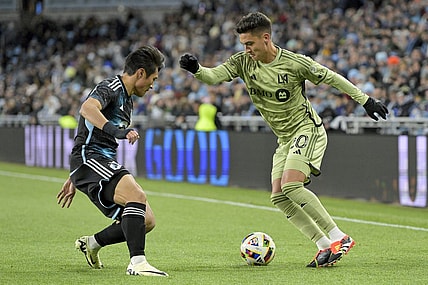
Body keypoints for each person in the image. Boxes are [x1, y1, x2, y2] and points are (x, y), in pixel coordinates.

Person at [179, 12, 388, 268]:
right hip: (285, 138)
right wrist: (196, 70)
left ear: (266, 38)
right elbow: (214, 76)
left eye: (249, 44)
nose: (245, 50)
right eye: (243, 44)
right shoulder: (243, 62)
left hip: (306, 128)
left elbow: (332, 77)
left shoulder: (294, 63)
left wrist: (365, 100)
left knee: (291, 186)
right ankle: (324, 246)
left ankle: (339, 237)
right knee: (278, 196)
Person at [57, 45, 168, 277]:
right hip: (90, 158)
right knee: (136, 196)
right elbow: (87, 108)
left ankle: (92, 243)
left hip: (95, 162)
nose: (152, 86)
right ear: (140, 73)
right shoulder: (111, 86)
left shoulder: (127, 100)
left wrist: (74, 176)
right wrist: (117, 132)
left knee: (146, 221)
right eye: (153, 78)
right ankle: (137, 263)